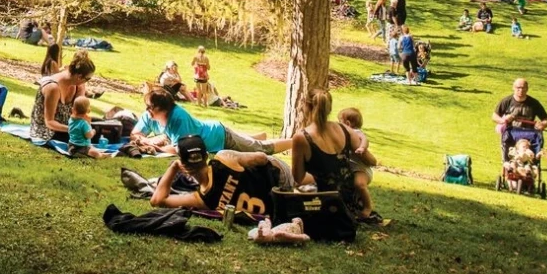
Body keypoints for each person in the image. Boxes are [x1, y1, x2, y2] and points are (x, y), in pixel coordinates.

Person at [150, 133, 295, 219]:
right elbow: (262, 158)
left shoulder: (201, 200)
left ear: (182, 164)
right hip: (280, 180)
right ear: (206, 156)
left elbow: (157, 200)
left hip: (275, 203)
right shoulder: (225, 159)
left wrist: (174, 167)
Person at [291, 89, 375, 222]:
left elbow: (298, 178)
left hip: (323, 204)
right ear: (329, 108)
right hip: (349, 203)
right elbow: (370, 160)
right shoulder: (345, 129)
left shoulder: (301, 137)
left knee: (294, 193)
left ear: (306, 106)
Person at [144, 87, 289, 156]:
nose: (147, 110)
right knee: (250, 142)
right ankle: (257, 136)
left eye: (149, 107)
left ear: (161, 107)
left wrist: (156, 148)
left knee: (263, 149)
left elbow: (179, 149)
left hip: (221, 137)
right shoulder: (168, 116)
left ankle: (296, 141)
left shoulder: (177, 118)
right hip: (216, 132)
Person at [30, 51, 96, 142]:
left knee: (101, 130)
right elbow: (49, 122)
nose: (87, 82)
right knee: (83, 138)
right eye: (87, 79)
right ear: (79, 76)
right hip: (47, 130)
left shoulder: (79, 85)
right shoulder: (53, 87)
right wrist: (75, 129)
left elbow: (79, 113)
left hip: (67, 125)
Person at [336, 108, 380, 221]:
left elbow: (365, 139)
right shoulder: (344, 134)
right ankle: (356, 206)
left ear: (347, 123)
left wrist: (361, 147)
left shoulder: (356, 132)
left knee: (359, 184)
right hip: (353, 168)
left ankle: (368, 207)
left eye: (339, 121)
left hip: (361, 168)